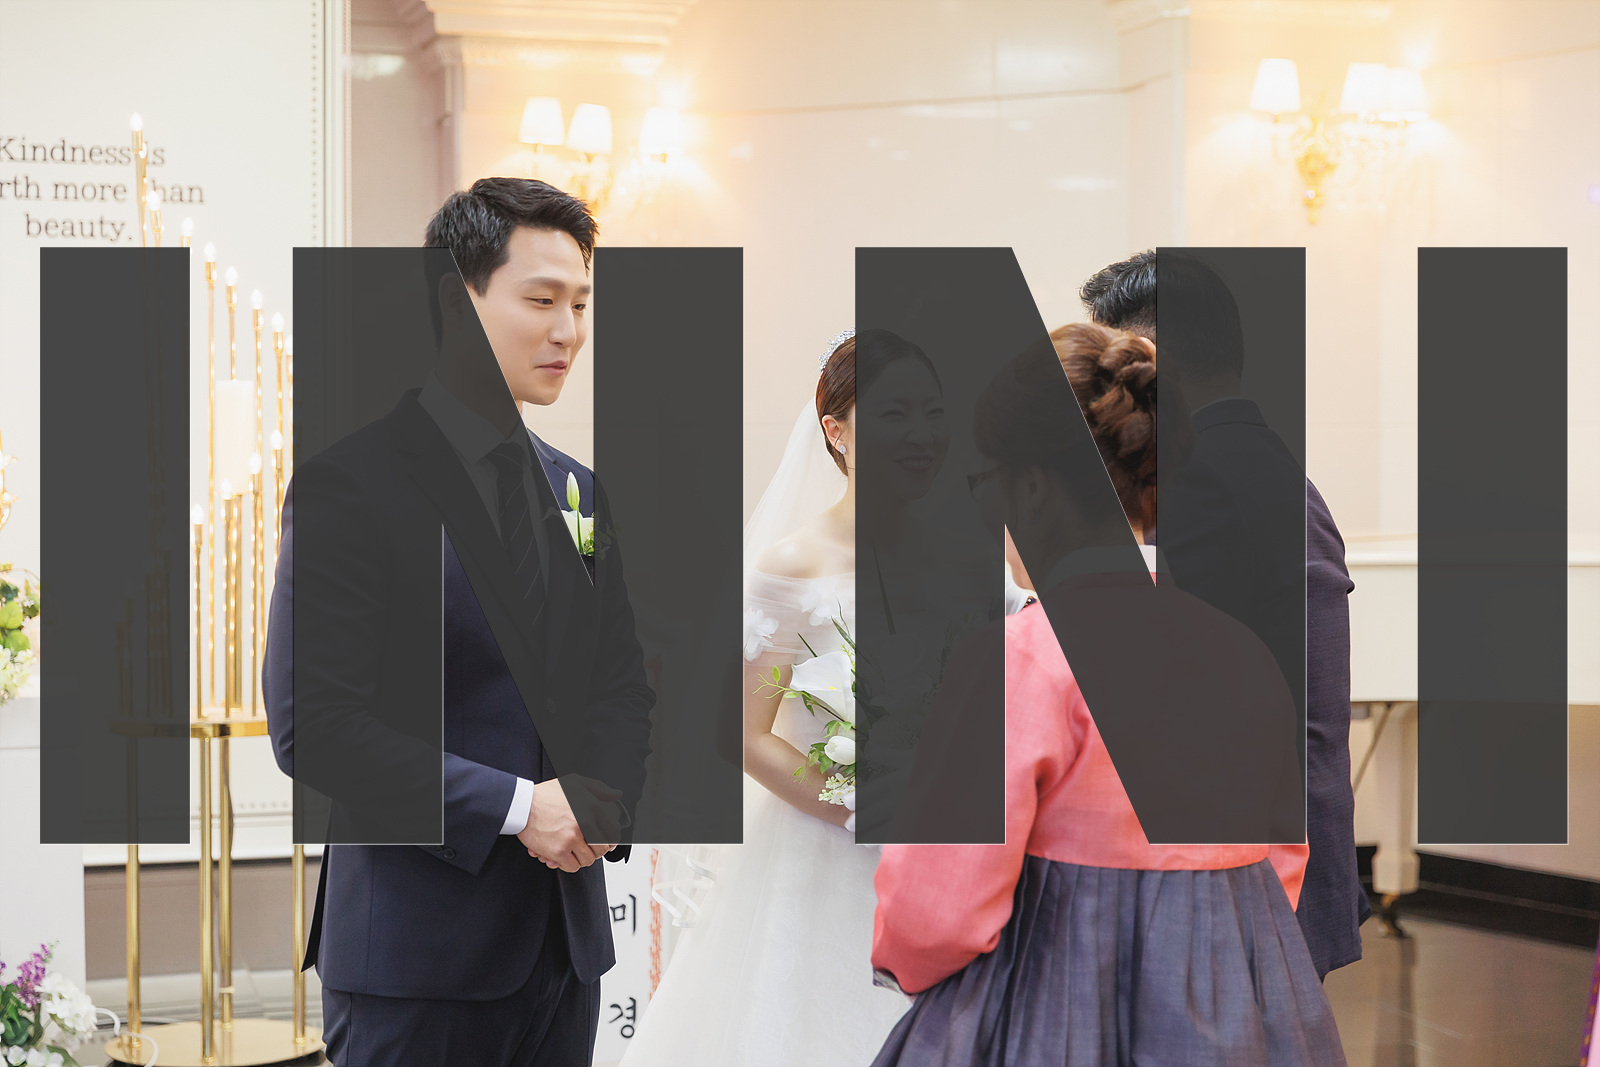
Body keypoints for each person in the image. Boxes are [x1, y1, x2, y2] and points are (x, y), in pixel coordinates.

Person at [870, 324, 1346, 1066]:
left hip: (1057, 1003)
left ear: (1029, 486)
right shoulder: (1242, 652)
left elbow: (939, 908)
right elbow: (1280, 859)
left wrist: (911, 968)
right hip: (1238, 1010)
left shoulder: (1024, 657)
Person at [263, 178, 654, 1066]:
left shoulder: (576, 489)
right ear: (454, 298)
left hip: (564, 953)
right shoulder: (351, 487)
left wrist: (606, 792)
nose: (569, 330)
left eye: (582, 303)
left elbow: (622, 682)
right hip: (418, 955)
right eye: (542, 300)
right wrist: (520, 808)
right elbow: (313, 726)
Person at [619, 328, 975, 1066]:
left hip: (945, 851)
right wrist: (858, 804)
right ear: (837, 432)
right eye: (893, 414)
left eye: (932, 413)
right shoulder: (794, 564)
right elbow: (739, 730)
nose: (919, 434)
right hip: (826, 847)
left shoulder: (965, 555)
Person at [1081, 250, 1367, 979]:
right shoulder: (1254, 465)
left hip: (1250, 870)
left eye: (1115, 363)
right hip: (1278, 851)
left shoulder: (1203, 479)